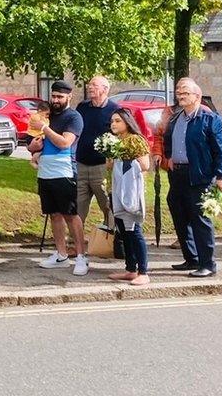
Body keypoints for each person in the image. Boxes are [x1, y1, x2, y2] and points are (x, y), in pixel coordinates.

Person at [164, 78, 222, 277]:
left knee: (200, 219)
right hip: (178, 174)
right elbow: (167, 138)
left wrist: (221, 175)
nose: (181, 96)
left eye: (185, 93)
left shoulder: (210, 119)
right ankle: (191, 258)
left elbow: (219, 150)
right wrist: (169, 155)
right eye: (179, 93)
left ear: (197, 96)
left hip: (199, 174)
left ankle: (207, 264)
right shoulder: (175, 118)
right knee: (179, 213)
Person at [28, 80, 88, 276]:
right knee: (53, 214)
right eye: (53, 96)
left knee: (71, 214)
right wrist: (34, 147)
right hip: (46, 170)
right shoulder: (47, 116)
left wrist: (45, 129)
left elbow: (64, 143)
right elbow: (32, 145)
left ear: (69, 97)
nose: (55, 100)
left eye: (60, 97)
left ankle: (80, 256)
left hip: (64, 170)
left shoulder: (74, 117)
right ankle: (61, 254)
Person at [106, 109, 152, 286]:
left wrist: (125, 160)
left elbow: (144, 165)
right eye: (112, 121)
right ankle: (130, 269)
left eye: (117, 121)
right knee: (123, 231)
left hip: (130, 191)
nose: (113, 124)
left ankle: (143, 271)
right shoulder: (115, 141)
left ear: (127, 122)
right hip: (116, 189)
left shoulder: (135, 140)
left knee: (134, 230)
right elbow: (110, 166)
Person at [74, 76, 120, 227]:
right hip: (81, 164)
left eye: (94, 85)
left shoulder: (115, 110)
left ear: (105, 89)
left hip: (102, 166)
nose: (89, 87)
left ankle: (111, 240)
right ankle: (76, 242)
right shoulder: (82, 107)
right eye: (89, 84)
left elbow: (121, 135)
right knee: (78, 206)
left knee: (107, 204)